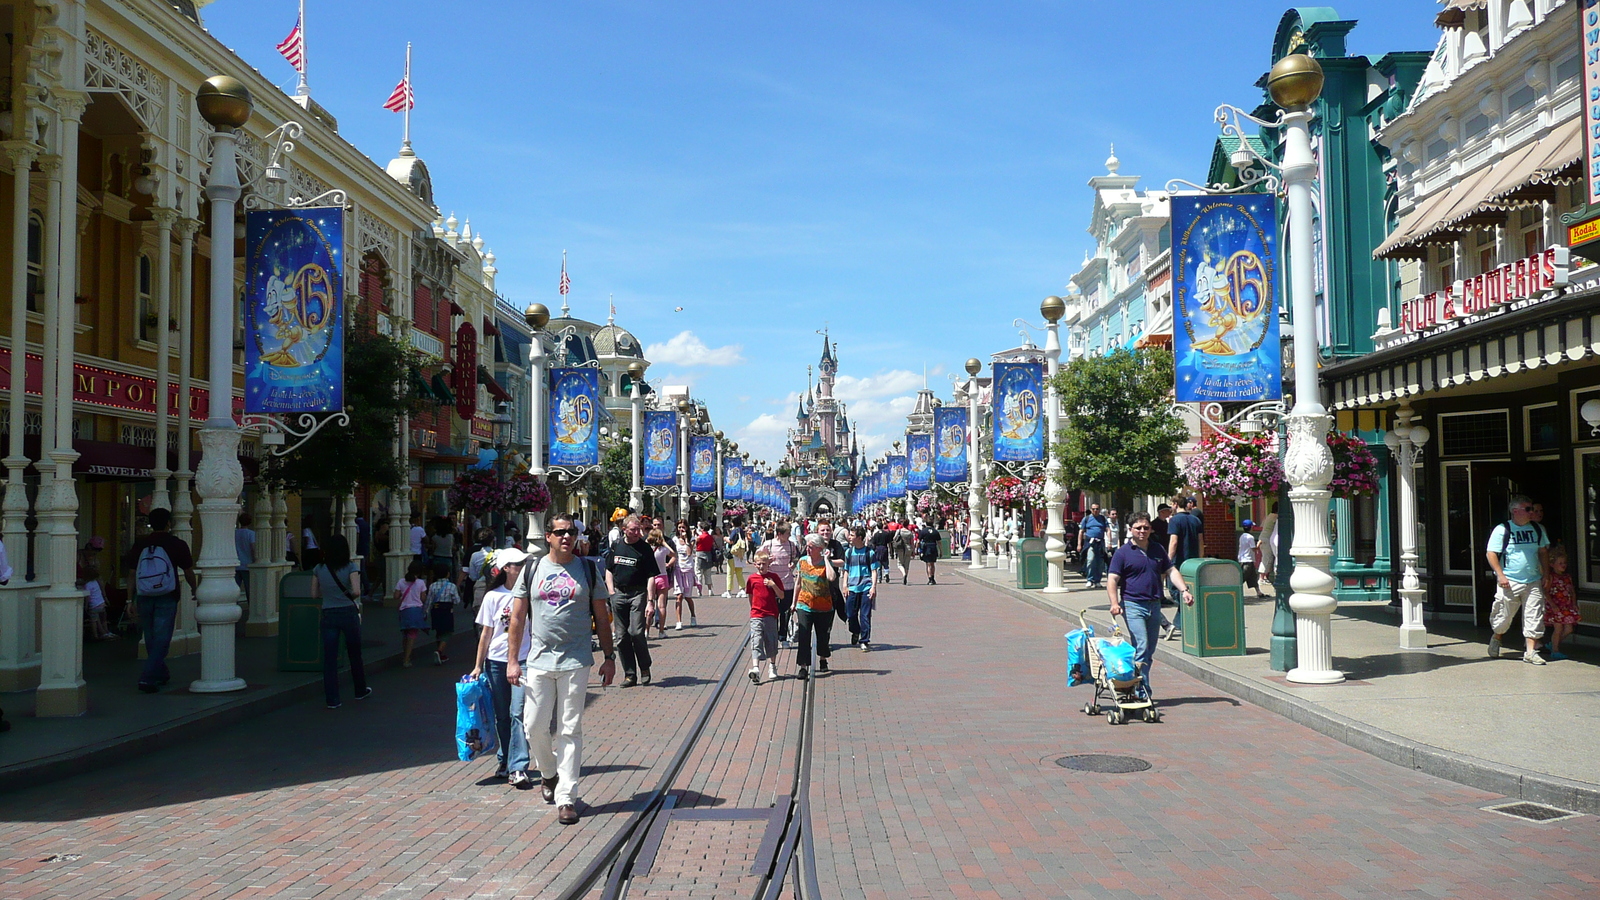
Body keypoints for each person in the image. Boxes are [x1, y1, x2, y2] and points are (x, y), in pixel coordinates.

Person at [506, 513, 616, 826]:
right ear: (549, 537)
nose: (566, 537)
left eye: (570, 532)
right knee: (534, 726)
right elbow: (516, 619)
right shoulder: (532, 569)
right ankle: (550, 773)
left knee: (570, 728)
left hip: (576, 660)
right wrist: (513, 660)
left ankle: (566, 796)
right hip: (539, 660)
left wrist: (609, 657)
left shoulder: (587, 569)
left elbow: (601, 614)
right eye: (559, 532)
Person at [1106, 513, 1193, 694]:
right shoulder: (1122, 553)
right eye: (1138, 528)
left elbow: (1171, 570)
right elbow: (1112, 579)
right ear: (1131, 530)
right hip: (1132, 605)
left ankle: (1130, 681)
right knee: (1142, 645)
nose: (1142, 531)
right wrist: (1114, 603)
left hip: (1154, 605)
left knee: (1149, 650)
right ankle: (1141, 689)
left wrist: (1184, 590)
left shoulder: (1157, 549)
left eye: (1146, 528)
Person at [469, 547, 534, 786]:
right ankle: (505, 759)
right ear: (506, 568)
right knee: (502, 715)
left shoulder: (529, 595)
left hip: (524, 659)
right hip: (496, 661)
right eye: (517, 564)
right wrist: (478, 665)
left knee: (518, 712)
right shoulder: (493, 596)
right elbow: (485, 634)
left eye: (524, 563)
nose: (521, 568)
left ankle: (519, 766)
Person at [123, 507, 198, 694]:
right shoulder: (176, 544)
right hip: (167, 594)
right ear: (168, 523)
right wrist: (195, 588)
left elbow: (131, 574)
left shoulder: (140, 544)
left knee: (150, 636)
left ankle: (161, 673)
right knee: (163, 637)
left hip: (144, 595)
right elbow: (188, 570)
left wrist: (128, 600)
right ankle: (148, 678)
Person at [1485, 494, 1550, 665]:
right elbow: (1491, 553)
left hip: (1533, 579)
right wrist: (1500, 575)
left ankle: (1530, 651)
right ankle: (1497, 636)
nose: (1532, 512)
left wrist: (1546, 574)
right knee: (1503, 616)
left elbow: (1543, 552)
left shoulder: (1537, 529)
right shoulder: (1502, 529)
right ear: (1515, 511)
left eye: (1533, 509)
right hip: (1510, 580)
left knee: (1534, 615)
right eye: (1528, 509)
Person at [308, 535, 371, 709]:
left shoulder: (319, 569)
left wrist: (328, 595)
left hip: (328, 613)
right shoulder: (351, 566)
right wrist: (346, 596)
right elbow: (357, 591)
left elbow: (314, 594)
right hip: (347, 612)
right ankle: (359, 690)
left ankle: (333, 699)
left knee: (330, 659)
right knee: (354, 654)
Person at [606, 514, 662, 687]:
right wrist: (611, 591)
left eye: (638, 529)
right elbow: (609, 569)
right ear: (625, 530)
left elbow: (652, 576)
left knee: (637, 632)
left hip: (638, 593)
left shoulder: (644, 549)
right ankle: (630, 674)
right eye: (633, 530)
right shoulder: (616, 546)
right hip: (619, 594)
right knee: (621, 636)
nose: (637, 532)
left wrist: (651, 601)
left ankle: (644, 667)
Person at [793, 533, 836, 681]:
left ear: (819, 548)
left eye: (811, 547)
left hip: (823, 606)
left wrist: (826, 559)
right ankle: (803, 666)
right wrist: (794, 603)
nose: (807, 549)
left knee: (822, 636)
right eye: (807, 546)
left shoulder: (825, 563)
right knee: (804, 635)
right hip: (804, 604)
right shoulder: (802, 561)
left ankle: (823, 658)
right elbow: (798, 583)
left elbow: (831, 578)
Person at [1165, 501, 1203, 641]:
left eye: (1171, 504)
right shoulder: (1196, 520)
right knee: (1187, 590)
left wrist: (1168, 559)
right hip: (1193, 562)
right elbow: (1200, 541)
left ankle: (1180, 622)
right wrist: (1200, 558)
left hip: (1178, 562)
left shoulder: (1174, 520)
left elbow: (1173, 541)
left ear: (1175, 504)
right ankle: (1180, 622)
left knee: (1175, 591)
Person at [759, 521, 800, 646]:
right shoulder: (769, 544)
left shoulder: (791, 545)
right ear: (779, 534)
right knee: (772, 612)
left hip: (787, 583)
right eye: (787, 534)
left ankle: (783, 637)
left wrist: (793, 563)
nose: (789, 536)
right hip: (771, 584)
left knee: (785, 611)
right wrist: (767, 560)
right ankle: (772, 636)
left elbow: (796, 557)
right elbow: (758, 557)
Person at [746, 550, 782, 683]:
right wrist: (753, 609)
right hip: (756, 614)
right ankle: (755, 668)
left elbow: (782, 595)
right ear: (755, 564)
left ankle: (772, 666)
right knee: (756, 639)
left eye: (764, 564)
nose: (762, 567)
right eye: (759, 564)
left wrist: (773, 586)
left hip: (771, 614)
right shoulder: (752, 579)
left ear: (768, 564)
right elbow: (750, 595)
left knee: (771, 640)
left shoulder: (774, 577)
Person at [1543, 544, 1580, 660]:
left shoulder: (1567, 577)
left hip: (1566, 606)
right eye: (1560, 563)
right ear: (1552, 565)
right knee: (1558, 628)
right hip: (1556, 607)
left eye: (1564, 563)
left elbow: (1572, 591)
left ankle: (1553, 644)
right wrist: (1552, 605)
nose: (1563, 565)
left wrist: (1574, 604)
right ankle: (1555, 650)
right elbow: (1546, 592)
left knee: (1569, 629)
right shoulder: (1551, 577)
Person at [844, 526, 876, 650]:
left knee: (865, 615)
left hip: (866, 587)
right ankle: (855, 631)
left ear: (859, 538)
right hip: (852, 587)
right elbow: (846, 570)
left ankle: (864, 640)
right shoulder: (849, 552)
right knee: (850, 613)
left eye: (852, 535)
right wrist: (845, 585)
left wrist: (873, 587)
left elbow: (874, 570)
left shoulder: (869, 552)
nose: (849, 537)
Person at [426, 561, 462, 665]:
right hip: (447, 610)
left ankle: (441, 655)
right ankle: (439, 651)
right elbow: (457, 601)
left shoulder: (432, 586)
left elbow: (429, 600)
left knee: (439, 631)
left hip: (436, 610)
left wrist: (425, 612)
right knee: (447, 632)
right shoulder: (451, 586)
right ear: (448, 573)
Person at [394, 560, 429, 667]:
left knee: (405, 633)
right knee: (412, 635)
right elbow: (423, 598)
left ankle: (405, 653)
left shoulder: (401, 582)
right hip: (416, 610)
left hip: (404, 610)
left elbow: (396, 596)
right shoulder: (421, 583)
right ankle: (406, 659)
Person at [647, 527, 675, 637]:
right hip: (662, 576)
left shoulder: (647, 549)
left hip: (650, 578)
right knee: (661, 606)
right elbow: (673, 554)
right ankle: (661, 631)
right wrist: (664, 543)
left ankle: (646, 631)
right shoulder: (663, 550)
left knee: (649, 604)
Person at [672, 521, 699, 626]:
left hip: (688, 570)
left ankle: (693, 615)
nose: (681, 529)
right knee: (679, 596)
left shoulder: (691, 540)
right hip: (678, 569)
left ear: (687, 528)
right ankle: (679, 621)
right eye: (679, 527)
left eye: (683, 527)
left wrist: (687, 540)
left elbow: (689, 553)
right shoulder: (674, 540)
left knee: (687, 597)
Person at [81, 563, 116, 641]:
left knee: (93, 621)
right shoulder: (96, 582)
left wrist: (86, 606)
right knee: (103, 619)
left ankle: (96, 635)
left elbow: (88, 597)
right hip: (101, 603)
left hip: (94, 605)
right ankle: (106, 631)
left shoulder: (87, 585)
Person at [1078, 503, 1109, 588]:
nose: (1095, 510)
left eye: (1097, 509)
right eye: (1093, 509)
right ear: (1091, 510)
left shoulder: (1102, 519)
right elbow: (1081, 531)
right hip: (1090, 542)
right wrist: (1079, 544)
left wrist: (1109, 542)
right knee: (1090, 560)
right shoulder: (1087, 519)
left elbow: (1107, 529)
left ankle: (1097, 581)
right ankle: (1090, 579)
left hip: (1100, 543)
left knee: (1100, 562)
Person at [1237, 520, 1264, 599]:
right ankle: (1235, 591)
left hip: (1243, 559)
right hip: (1247, 560)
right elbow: (1254, 549)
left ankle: (1259, 592)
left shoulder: (1242, 536)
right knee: (1243, 577)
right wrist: (1259, 543)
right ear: (1251, 527)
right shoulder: (1250, 537)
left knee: (1253, 576)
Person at [235, 512, 255, 600]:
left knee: (235, 589)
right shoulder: (251, 534)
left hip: (236, 564)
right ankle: (251, 608)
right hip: (248, 565)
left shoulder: (234, 533)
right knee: (250, 589)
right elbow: (253, 548)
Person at [694, 521, 717, 597]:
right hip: (708, 555)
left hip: (700, 554)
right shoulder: (710, 537)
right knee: (708, 574)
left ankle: (699, 590)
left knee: (699, 573)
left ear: (702, 528)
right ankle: (710, 590)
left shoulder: (700, 537)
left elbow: (695, 544)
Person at [916, 518, 941, 585]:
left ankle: (930, 578)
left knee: (928, 564)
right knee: (932, 564)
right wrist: (941, 551)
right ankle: (932, 577)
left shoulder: (923, 531)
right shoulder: (935, 531)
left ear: (926, 524)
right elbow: (939, 542)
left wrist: (917, 549)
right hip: (933, 547)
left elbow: (918, 541)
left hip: (926, 548)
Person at [726, 527, 748, 598]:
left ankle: (729, 590)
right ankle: (742, 589)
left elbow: (731, 541)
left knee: (730, 573)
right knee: (739, 573)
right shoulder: (741, 530)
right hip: (740, 554)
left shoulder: (734, 530)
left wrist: (725, 538)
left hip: (733, 554)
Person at [893, 519, 916, 584]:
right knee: (906, 564)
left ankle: (903, 574)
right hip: (908, 548)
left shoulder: (899, 531)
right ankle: (906, 575)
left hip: (900, 548)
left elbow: (894, 539)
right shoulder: (910, 532)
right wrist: (913, 552)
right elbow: (912, 543)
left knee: (900, 563)